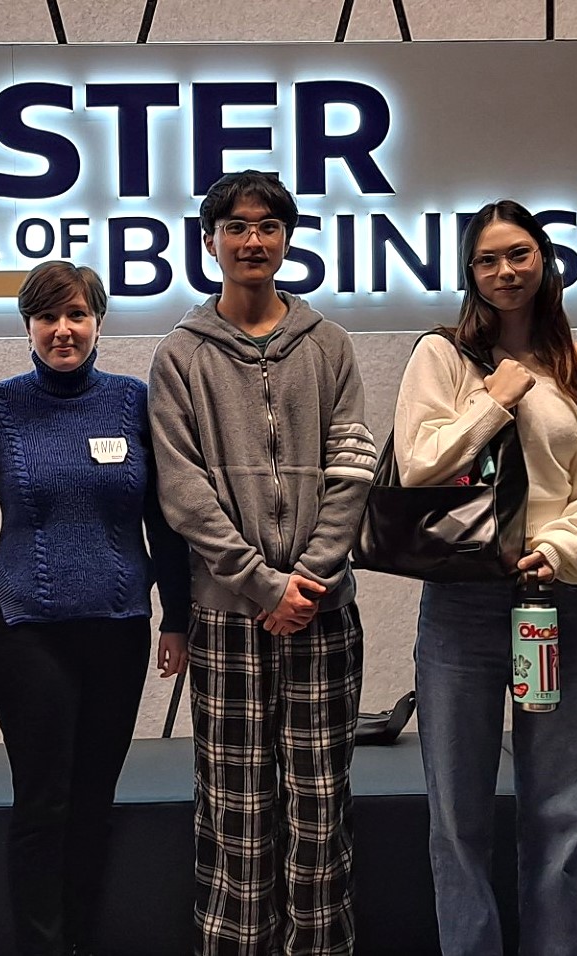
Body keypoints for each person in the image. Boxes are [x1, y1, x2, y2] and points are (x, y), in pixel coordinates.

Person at [0, 260, 191, 956]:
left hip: (119, 630)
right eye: (48, 317)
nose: (63, 329)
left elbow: (165, 523)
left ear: (98, 322)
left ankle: (83, 938)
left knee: (94, 804)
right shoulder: (0, 408)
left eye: (77, 314)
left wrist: (178, 618)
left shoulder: (135, 402)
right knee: (45, 802)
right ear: (29, 327)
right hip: (25, 633)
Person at [147, 170, 377, 955]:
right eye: (237, 226)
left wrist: (305, 582)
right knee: (236, 811)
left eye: (268, 225)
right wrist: (261, 586)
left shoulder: (331, 345)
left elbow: (352, 470)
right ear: (210, 240)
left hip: (323, 612)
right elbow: (182, 493)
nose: (253, 240)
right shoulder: (181, 356)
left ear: (287, 237)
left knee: (321, 807)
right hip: (228, 615)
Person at [393, 200, 577, 956]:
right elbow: (419, 465)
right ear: (470, 272)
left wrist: (557, 549)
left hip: (550, 602)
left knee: (561, 806)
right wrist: (494, 401)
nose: (505, 272)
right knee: (456, 814)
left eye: (518, 254)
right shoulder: (442, 355)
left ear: (544, 258)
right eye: (487, 260)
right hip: (460, 608)